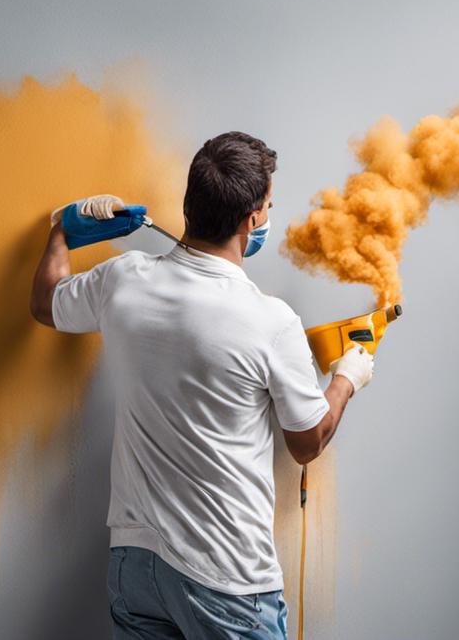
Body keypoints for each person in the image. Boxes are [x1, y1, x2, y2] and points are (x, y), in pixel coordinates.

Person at [29, 131, 375, 639]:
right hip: (227, 576)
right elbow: (306, 442)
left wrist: (63, 230)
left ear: (190, 202)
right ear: (250, 218)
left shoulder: (123, 280)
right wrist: (347, 378)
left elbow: (45, 301)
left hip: (135, 565)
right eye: (268, 207)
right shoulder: (269, 320)